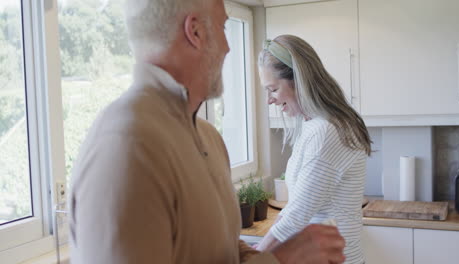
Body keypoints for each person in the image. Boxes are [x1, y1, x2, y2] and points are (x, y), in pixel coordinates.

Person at [68, 1, 346, 263]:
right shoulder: (126, 147)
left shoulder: (208, 138)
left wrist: (277, 257)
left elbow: (226, 251)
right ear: (196, 31)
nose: (227, 48)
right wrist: (282, 259)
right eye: (224, 27)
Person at [255, 35, 372, 264]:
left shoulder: (326, 131)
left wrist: (255, 255)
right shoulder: (314, 124)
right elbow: (295, 210)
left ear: (298, 81)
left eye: (273, 89)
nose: (270, 100)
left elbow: (298, 214)